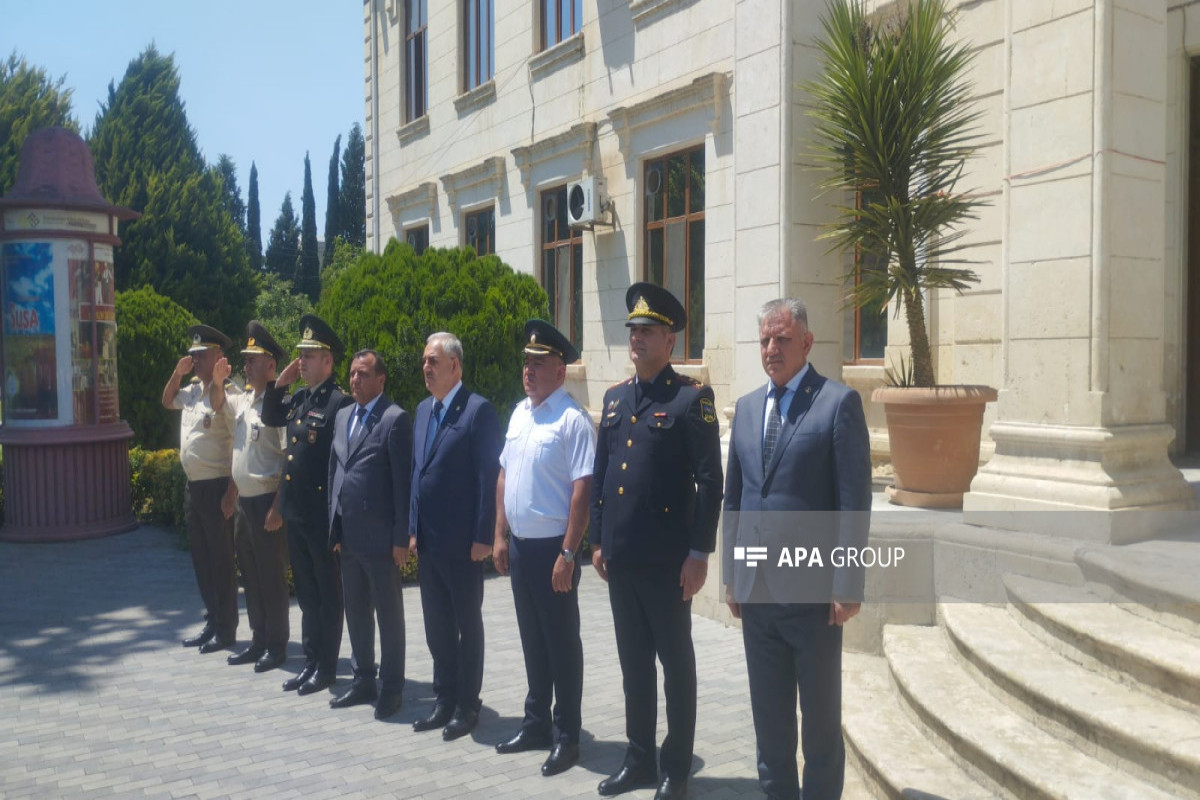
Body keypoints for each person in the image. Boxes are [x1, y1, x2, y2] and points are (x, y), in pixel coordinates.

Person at [722, 298, 871, 800]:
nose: (771, 348)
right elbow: (735, 502)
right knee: (770, 721)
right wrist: (732, 577)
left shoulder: (836, 403)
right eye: (765, 339)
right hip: (758, 595)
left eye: (782, 339)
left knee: (821, 725)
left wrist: (847, 584)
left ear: (806, 343)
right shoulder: (744, 410)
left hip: (813, 599)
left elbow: (853, 503)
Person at [589, 283, 723, 800]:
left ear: (670, 340)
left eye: (647, 331)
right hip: (621, 561)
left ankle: (676, 768)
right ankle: (638, 757)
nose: (637, 339)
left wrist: (698, 554)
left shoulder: (690, 400)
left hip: (669, 565)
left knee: (676, 665)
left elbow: (711, 482)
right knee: (633, 665)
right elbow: (602, 477)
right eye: (633, 331)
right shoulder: (616, 398)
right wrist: (597, 541)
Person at [492, 320, 595, 777]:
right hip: (520, 546)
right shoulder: (519, 413)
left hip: (555, 550)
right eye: (526, 363)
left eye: (539, 364)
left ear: (560, 370)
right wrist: (499, 535)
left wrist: (569, 554)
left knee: (561, 644)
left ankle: (567, 735)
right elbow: (503, 477)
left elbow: (582, 491)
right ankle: (535, 723)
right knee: (532, 640)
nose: (529, 371)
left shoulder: (572, 420)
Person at [410, 332, 501, 741]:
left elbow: (487, 476)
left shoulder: (477, 411)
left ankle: (468, 704)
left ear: (455, 366)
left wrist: (485, 534)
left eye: (433, 361)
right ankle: (444, 697)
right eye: (424, 361)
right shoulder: (423, 411)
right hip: (429, 543)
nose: (426, 368)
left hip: (465, 543)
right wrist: (412, 529)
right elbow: (418, 474)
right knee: (436, 626)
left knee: (467, 624)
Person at [260, 315, 353, 696]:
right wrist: (278, 384)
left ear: (328, 361)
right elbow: (270, 417)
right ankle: (311, 661)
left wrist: (338, 522)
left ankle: (327, 667)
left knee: (326, 595)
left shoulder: (339, 403)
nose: (301, 362)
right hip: (297, 513)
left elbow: (341, 466)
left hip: (319, 516)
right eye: (300, 355)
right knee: (307, 593)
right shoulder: (299, 398)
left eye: (309, 356)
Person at [327, 349, 413, 720]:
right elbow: (335, 471)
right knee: (357, 613)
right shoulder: (344, 414)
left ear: (381, 380)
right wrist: (333, 526)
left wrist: (400, 538)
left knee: (388, 616)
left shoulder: (394, 419)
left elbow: (401, 484)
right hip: (349, 537)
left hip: (381, 541)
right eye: (352, 374)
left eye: (363, 374)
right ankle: (364, 678)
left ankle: (392, 687)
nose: (355, 380)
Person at [164, 324, 241, 654]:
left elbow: (240, 443)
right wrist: (176, 373)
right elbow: (167, 401)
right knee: (202, 560)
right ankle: (213, 620)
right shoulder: (193, 389)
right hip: (193, 488)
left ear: (218, 357)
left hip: (217, 487)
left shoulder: (230, 392)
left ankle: (227, 629)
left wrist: (231, 493)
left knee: (221, 562)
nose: (194, 360)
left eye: (201, 355)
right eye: (193, 355)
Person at [221, 321, 290, 673]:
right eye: (245, 359)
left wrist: (279, 506)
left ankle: (277, 645)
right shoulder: (246, 400)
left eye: (253, 360)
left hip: (266, 503)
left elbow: (286, 459)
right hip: (245, 503)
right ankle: (258, 638)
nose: (246, 365)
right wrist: (232, 493)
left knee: (270, 577)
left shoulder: (276, 405)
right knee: (250, 574)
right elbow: (240, 450)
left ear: (271, 366)